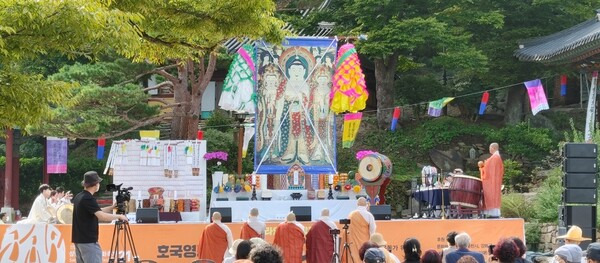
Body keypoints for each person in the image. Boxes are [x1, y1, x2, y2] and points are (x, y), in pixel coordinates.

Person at [72, 171, 128, 263]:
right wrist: (119, 216)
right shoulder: (88, 198)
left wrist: (112, 207)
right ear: (95, 184)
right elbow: (102, 216)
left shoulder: (79, 196)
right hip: (88, 241)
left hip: (79, 240)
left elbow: (96, 211)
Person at [344, 197, 377, 263]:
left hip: (353, 242)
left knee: (354, 256)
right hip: (365, 242)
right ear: (366, 204)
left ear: (357, 204)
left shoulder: (351, 214)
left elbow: (347, 228)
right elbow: (373, 229)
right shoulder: (369, 215)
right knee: (364, 256)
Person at [480, 142, 504, 218]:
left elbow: (488, 169)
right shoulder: (496, 157)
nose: (489, 149)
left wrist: (482, 166)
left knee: (491, 196)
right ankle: (493, 213)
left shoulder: (495, 158)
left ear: (493, 148)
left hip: (492, 181)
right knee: (493, 196)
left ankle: (493, 213)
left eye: (490, 148)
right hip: (494, 180)